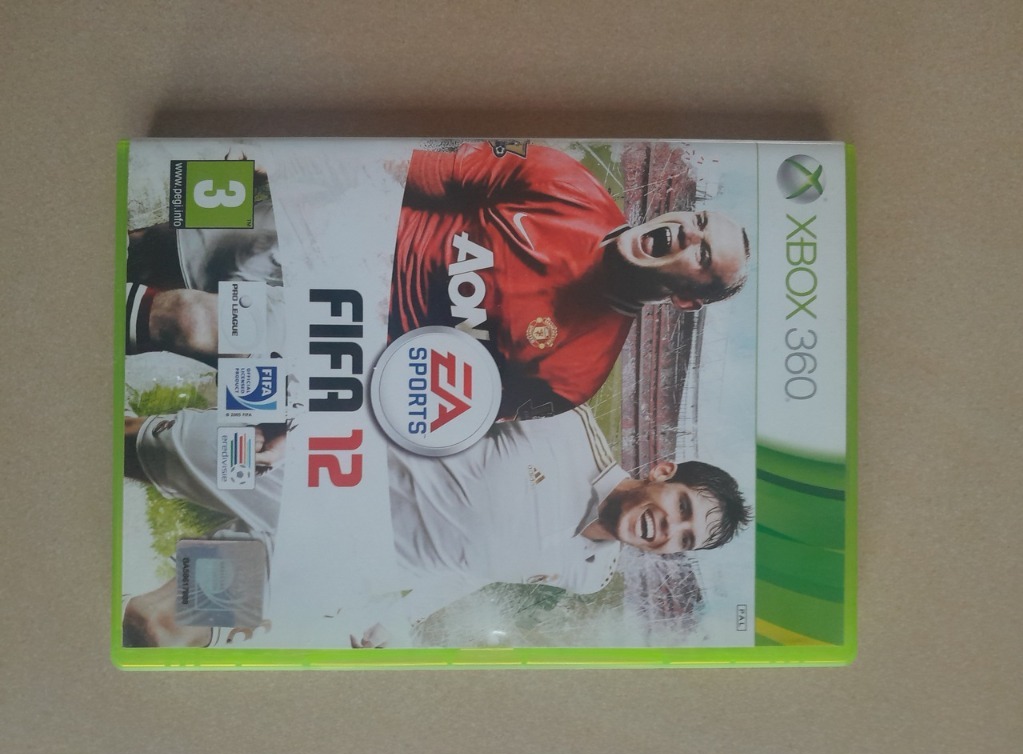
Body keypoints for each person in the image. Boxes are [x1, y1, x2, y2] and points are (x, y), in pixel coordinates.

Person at [120, 405, 749, 646]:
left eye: (685, 541)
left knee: (159, 626)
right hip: (314, 465)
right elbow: (409, 381)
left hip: (321, 558)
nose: (670, 530)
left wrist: (395, 619)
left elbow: (470, 570)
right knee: (123, 446)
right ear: (663, 471)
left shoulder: (589, 575)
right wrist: (304, 418)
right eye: (683, 508)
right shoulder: (562, 419)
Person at [389, 140, 752, 418]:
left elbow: (449, 413)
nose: (690, 232)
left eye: (704, 255)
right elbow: (404, 169)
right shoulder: (563, 179)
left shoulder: (575, 379)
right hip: (369, 232)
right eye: (699, 220)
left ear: (686, 299)